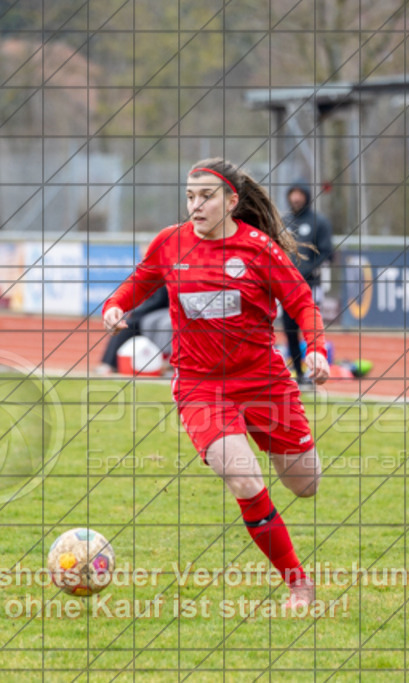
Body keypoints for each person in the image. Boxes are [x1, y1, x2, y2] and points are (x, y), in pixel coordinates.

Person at [102, 158, 330, 608]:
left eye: (206, 196)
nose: (195, 205)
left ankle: (268, 442)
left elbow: (302, 303)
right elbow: (138, 282)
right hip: (201, 385)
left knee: (306, 485)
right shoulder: (171, 243)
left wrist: (316, 349)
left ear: (231, 200)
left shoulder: (259, 249)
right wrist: (114, 305)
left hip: (264, 382)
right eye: (190, 196)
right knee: (243, 479)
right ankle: (298, 582)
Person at [282, 180, 334, 384]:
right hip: (286, 287)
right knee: (289, 330)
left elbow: (327, 251)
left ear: (306, 196)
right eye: (292, 194)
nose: (296, 198)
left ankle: (314, 371)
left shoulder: (318, 222)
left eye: (299, 194)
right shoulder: (283, 221)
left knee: (310, 328)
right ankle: (299, 373)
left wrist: (306, 271)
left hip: (310, 285)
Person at [96, 285, 172, 374]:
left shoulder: (168, 275)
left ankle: (163, 361)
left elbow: (159, 299)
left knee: (135, 323)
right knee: (136, 322)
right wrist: (115, 305)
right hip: (153, 310)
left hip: (165, 308)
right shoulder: (152, 274)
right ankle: (109, 363)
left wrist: (137, 311)